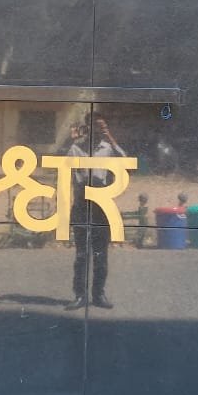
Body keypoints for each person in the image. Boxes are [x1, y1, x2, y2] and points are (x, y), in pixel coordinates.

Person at [64, 111, 127, 310]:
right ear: (87, 127)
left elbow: (126, 163)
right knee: (81, 254)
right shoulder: (76, 148)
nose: (98, 130)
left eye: (102, 126)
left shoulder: (107, 148)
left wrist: (111, 138)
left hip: (102, 204)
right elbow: (61, 170)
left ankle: (98, 294)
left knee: (101, 254)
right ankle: (80, 296)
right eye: (95, 126)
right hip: (82, 202)